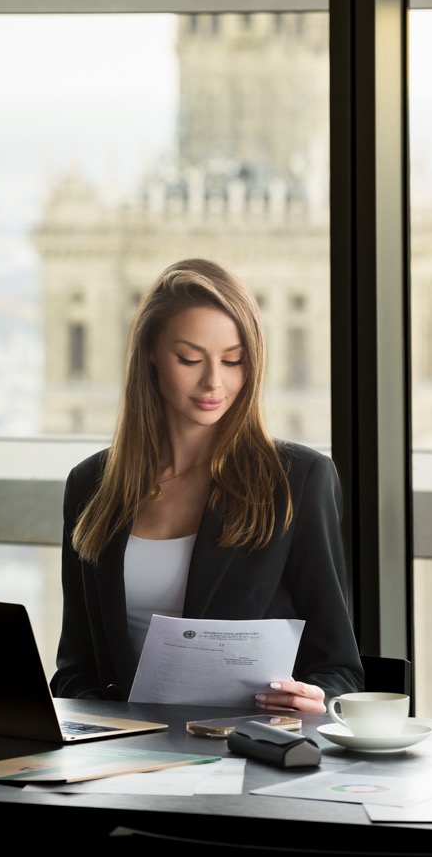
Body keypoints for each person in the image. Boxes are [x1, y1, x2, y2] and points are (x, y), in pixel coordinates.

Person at [51, 258, 363, 712]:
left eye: (233, 361)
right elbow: (74, 670)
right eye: (190, 359)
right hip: (122, 745)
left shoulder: (298, 479)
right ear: (150, 354)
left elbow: (339, 668)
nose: (214, 381)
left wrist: (316, 698)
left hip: (245, 741)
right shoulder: (90, 485)